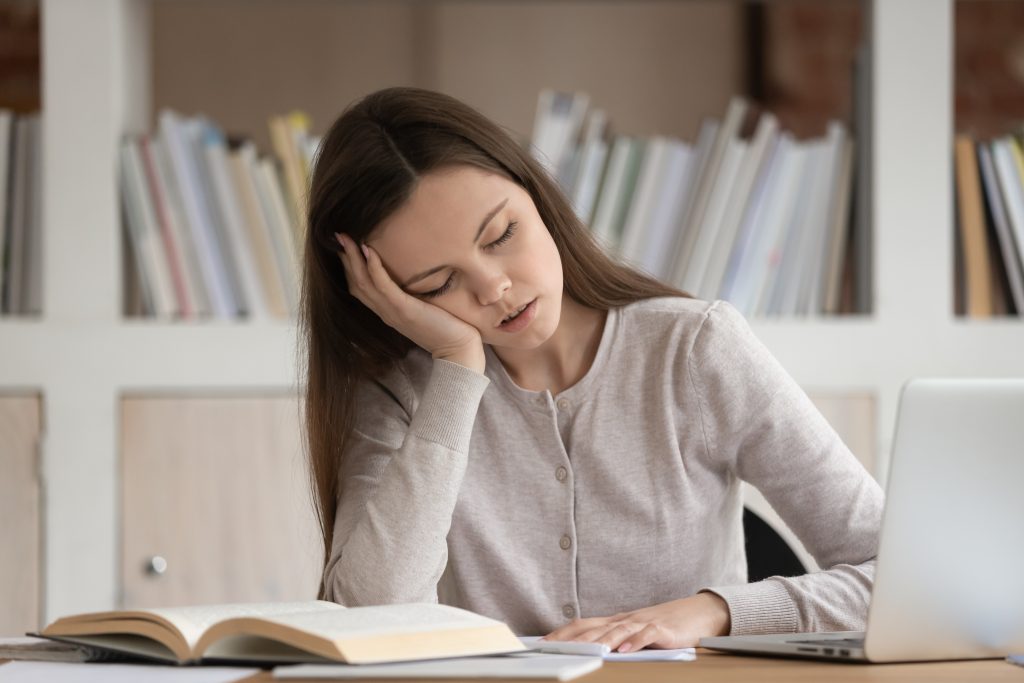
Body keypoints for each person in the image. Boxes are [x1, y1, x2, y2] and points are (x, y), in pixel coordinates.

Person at [300, 86, 883, 652]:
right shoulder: (404, 393)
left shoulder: (696, 349)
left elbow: (899, 572)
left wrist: (717, 611)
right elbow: (368, 623)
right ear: (384, 298)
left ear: (538, 198)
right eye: (438, 283)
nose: (494, 287)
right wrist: (456, 371)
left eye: (502, 234)